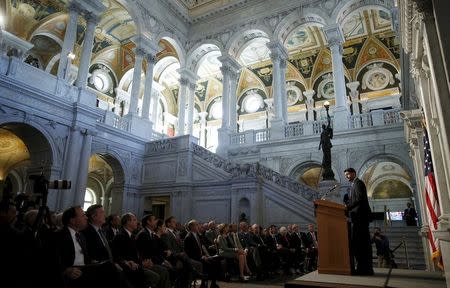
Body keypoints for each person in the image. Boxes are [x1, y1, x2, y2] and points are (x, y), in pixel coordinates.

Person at [344, 167, 374, 276]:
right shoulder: (354, 184)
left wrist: (347, 207)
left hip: (360, 217)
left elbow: (359, 199)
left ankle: (364, 269)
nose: (346, 177)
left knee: (362, 244)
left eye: (347, 174)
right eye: (345, 175)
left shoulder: (358, 183)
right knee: (359, 244)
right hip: (357, 218)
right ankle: (362, 268)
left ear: (353, 173)